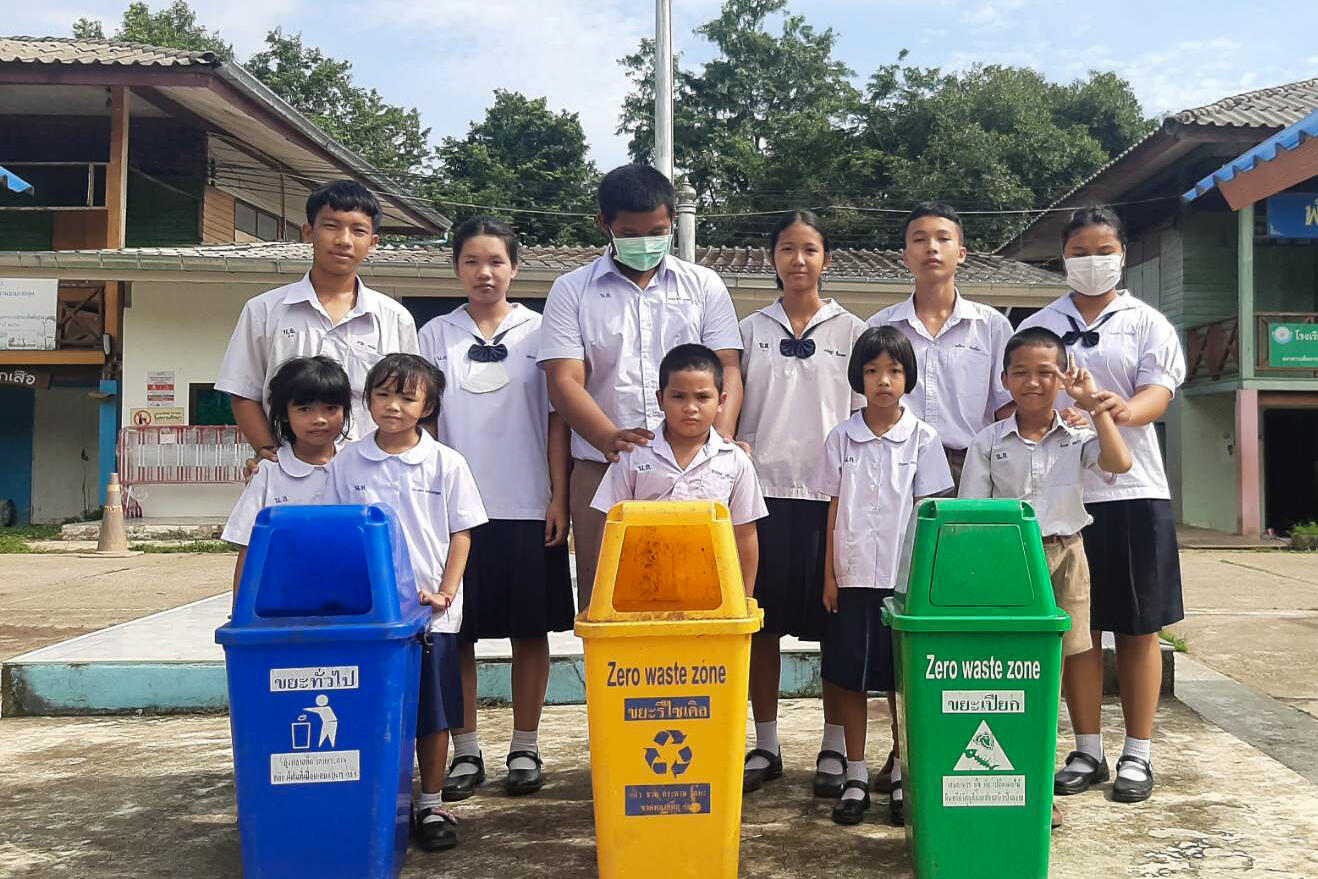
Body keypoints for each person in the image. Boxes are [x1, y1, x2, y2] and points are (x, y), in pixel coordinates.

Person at [1018, 206, 1186, 805]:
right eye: (1080, 251)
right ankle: (1086, 746)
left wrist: (1105, 410)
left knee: (1138, 626)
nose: (1093, 260)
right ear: (1063, 257)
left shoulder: (1147, 322)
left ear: (1122, 253)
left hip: (1134, 490)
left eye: (1104, 249)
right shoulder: (1040, 325)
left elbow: (1156, 395)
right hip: (1062, 500)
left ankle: (1138, 751)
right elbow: (1020, 395)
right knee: (1077, 631)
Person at [417, 216, 573, 802]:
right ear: (456, 267)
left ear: (515, 265)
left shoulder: (541, 332)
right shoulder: (435, 335)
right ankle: (466, 749)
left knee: (530, 632)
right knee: (458, 633)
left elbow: (558, 419)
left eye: (496, 262)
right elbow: (423, 422)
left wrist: (557, 495)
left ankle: (526, 745)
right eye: (472, 262)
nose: (485, 273)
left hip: (529, 504)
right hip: (456, 515)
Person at [538, 165, 743, 606]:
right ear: (604, 224)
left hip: (696, 470)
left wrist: (720, 436)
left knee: (700, 596)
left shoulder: (704, 285)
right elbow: (563, 379)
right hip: (603, 470)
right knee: (610, 604)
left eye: (658, 230)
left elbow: (728, 369)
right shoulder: (571, 291)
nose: (646, 242)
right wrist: (608, 437)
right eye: (630, 232)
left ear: (673, 222)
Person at [958, 327, 1134, 827]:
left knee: (1051, 677)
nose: (1033, 382)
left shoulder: (1080, 433)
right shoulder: (989, 441)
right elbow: (972, 513)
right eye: (1021, 372)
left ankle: (1040, 785)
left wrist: (1096, 406)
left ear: (1063, 378)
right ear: (1004, 379)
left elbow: (1119, 462)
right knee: (1013, 675)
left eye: (1045, 372)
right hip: (1009, 561)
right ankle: (1009, 782)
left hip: (1066, 558)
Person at [865, 201, 1013, 793]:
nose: (931, 248)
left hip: (972, 472)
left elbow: (1005, 412)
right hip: (901, 470)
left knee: (969, 611)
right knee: (909, 612)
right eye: (919, 239)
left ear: (962, 251)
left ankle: (966, 743)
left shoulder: (994, 327)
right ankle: (903, 753)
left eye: (943, 238)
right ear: (904, 254)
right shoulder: (883, 327)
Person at [324, 353, 487, 851]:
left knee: (434, 713)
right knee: (374, 709)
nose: (393, 406)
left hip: (432, 616)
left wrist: (445, 593)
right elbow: (339, 531)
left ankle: (431, 801)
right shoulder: (348, 460)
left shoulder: (446, 462)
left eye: (407, 396)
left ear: (428, 405)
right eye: (382, 394)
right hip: (372, 617)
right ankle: (380, 798)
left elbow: (462, 534)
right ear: (368, 399)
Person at [735, 211, 866, 796]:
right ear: (772, 258)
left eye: (809, 249)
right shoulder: (748, 329)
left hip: (831, 500)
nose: (798, 260)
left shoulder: (852, 332)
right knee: (760, 628)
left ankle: (835, 746)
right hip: (761, 501)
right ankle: (765, 742)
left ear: (826, 259)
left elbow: (869, 414)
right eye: (787, 249)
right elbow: (731, 405)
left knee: (835, 628)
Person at [811, 326, 953, 827]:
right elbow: (831, 509)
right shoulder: (839, 438)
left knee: (900, 682)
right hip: (850, 579)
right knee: (849, 677)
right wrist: (829, 574)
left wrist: (924, 585)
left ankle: (900, 773)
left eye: (893, 371)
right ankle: (855, 770)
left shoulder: (924, 438)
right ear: (858, 377)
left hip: (902, 585)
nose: (883, 381)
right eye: (872, 371)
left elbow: (930, 513)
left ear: (907, 377)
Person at [216, 179, 419, 462]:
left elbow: (410, 399)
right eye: (331, 225)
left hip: (374, 471)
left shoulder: (394, 318)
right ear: (309, 232)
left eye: (358, 230)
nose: (344, 240)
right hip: (291, 469)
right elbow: (243, 392)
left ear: (372, 242)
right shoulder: (263, 310)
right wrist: (267, 452)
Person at [590, 344, 766, 593]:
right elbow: (610, 525)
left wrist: (745, 600)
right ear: (660, 399)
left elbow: (745, 534)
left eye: (703, 397)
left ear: (721, 401)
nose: (691, 408)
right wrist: (605, 592)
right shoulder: (633, 455)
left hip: (713, 592)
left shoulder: (735, 461)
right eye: (678, 396)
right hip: (641, 589)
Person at [220, 355, 350, 596]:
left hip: (347, 598)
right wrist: (240, 617)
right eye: (304, 409)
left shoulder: (356, 466)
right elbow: (248, 547)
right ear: (283, 415)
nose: (319, 419)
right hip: (281, 598)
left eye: (331, 408)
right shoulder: (268, 471)